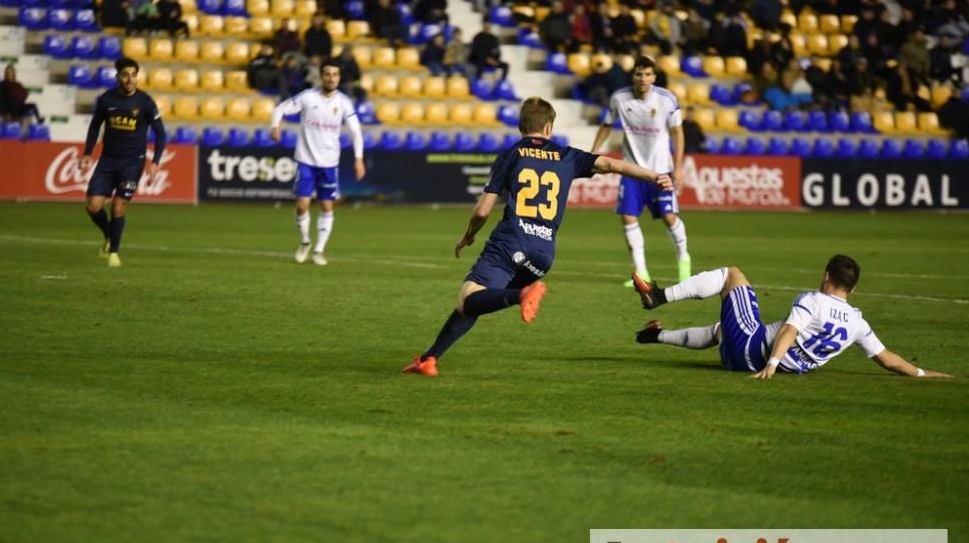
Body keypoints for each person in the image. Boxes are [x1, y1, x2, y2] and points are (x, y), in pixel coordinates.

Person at [402, 97, 673, 376]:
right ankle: (429, 359)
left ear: (521, 127)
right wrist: (655, 177)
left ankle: (522, 294)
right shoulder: (567, 155)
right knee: (475, 301)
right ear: (548, 127)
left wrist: (468, 235)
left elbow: (483, 211)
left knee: (469, 299)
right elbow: (613, 165)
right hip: (543, 256)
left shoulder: (510, 155)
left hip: (509, 243)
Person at [632, 255, 951, 380]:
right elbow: (890, 361)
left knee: (732, 274)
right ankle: (657, 336)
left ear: (826, 276)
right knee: (721, 330)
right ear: (852, 290)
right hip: (745, 358)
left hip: (753, 351)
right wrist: (928, 374)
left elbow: (788, 330)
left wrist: (770, 364)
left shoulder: (814, 301)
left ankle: (657, 296)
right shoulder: (857, 323)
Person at [590, 55, 690, 287]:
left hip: (661, 170)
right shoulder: (619, 98)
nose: (643, 79)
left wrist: (679, 167)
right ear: (632, 76)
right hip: (632, 170)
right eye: (638, 74)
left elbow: (677, 133)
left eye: (647, 74)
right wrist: (593, 154)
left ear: (654, 77)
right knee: (627, 216)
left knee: (668, 217)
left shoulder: (666, 99)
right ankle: (641, 272)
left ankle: (684, 260)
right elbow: (606, 126)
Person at [269, 60, 365, 267]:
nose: (331, 78)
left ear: (339, 78)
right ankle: (305, 242)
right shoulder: (308, 97)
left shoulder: (344, 102)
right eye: (327, 74)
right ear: (321, 77)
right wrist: (275, 126)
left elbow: (356, 132)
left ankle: (319, 250)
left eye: (335, 74)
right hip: (305, 160)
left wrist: (359, 159)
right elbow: (280, 108)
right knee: (302, 205)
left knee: (326, 206)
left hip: (330, 163)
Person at [79, 57, 165, 268]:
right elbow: (94, 126)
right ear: (118, 76)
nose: (130, 79)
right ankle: (110, 236)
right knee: (92, 206)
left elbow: (161, 134)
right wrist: (88, 153)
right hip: (107, 160)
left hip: (132, 163)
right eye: (125, 75)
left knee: (118, 207)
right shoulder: (106, 100)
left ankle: (114, 253)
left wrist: (155, 163)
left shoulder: (146, 102)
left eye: (133, 75)